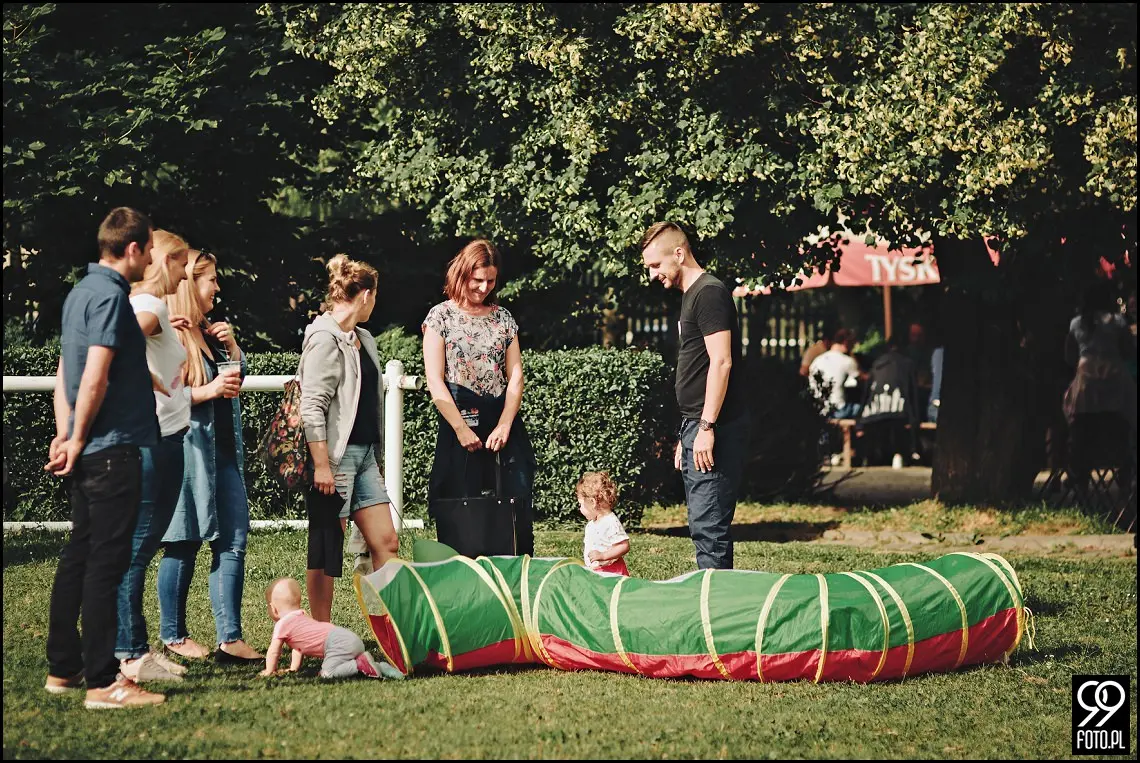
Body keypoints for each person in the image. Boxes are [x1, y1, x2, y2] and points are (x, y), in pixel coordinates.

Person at [44, 206, 166, 708]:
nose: (151, 259)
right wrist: (76, 438)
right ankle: (102, 682)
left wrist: (65, 434)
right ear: (132, 249)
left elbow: (61, 374)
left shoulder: (78, 294)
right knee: (104, 569)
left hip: (88, 448)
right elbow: (92, 374)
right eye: (149, 250)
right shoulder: (115, 299)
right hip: (112, 450)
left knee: (77, 558)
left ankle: (62, 671)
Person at [158, 249, 262, 664]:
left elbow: (239, 374)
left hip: (225, 453)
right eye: (211, 279)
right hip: (187, 451)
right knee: (183, 541)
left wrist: (233, 346)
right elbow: (162, 396)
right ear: (188, 285)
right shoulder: (167, 333)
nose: (218, 287)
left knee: (233, 539)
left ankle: (230, 638)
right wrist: (209, 391)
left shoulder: (207, 330)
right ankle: (173, 634)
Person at [641, 222, 749, 570]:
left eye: (655, 266)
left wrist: (706, 426)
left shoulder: (709, 292)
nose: (652, 275)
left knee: (709, 526)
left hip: (713, 425)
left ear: (679, 253)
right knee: (703, 523)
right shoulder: (693, 294)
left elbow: (721, 361)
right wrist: (688, 432)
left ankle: (717, 614)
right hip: (697, 425)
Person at [300, 255, 398, 623]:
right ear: (366, 296)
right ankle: (321, 632)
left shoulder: (364, 339)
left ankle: (395, 629)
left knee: (386, 542)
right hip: (334, 461)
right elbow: (312, 407)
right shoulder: (324, 339)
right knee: (329, 549)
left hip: (365, 458)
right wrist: (322, 465)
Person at [423, 239, 536, 557]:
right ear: (462, 274)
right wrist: (460, 429)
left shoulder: (503, 318)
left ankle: (515, 571)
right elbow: (435, 378)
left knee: (517, 493)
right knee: (459, 499)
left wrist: (504, 424)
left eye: (490, 281)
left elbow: (515, 374)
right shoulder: (440, 317)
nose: (484, 287)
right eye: (477, 280)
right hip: (460, 418)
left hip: (501, 416)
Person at [115, 230, 194, 684]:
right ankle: (129, 653)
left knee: (138, 547)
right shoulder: (152, 305)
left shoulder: (148, 307)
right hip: (158, 442)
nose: (185, 273)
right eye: (182, 264)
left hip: (159, 438)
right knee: (138, 548)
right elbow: (117, 344)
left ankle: (135, 647)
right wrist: (146, 374)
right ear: (166, 260)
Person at [1062, 281, 1136, 492]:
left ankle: (1078, 473)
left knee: (1078, 424)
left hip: (1086, 389)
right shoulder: (1118, 323)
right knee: (1125, 424)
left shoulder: (1076, 324)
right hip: (1116, 389)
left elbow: (1068, 356)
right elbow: (1129, 352)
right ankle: (1125, 472)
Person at [259, 578, 403, 680]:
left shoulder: (282, 625)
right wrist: (293, 668)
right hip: (346, 637)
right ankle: (381, 667)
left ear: (273, 608)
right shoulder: (302, 615)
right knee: (342, 662)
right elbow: (298, 648)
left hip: (336, 643)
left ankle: (358, 665)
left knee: (327, 673)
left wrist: (269, 670)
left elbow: (274, 651)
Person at [858, 336, 921, 468]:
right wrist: (913, 418)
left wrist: (859, 420)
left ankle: (873, 456)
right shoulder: (907, 363)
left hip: (873, 410)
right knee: (896, 424)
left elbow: (866, 393)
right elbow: (912, 392)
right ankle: (899, 454)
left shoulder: (877, 363)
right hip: (899, 408)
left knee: (882, 425)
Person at [577, 471, 631, 575]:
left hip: (612, 572)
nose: (580, 509)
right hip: (597, 571)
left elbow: (624, 546)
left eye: (581, 504)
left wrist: (603, 556)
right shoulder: (593, 523)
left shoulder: (610, 522)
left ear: (593, 502)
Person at [808, 329, 862, 419]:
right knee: (864, 409)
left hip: (818, 409)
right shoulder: (847, 361)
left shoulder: (817, 361)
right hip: (838, 409)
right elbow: (861, 380)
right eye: (852, 344)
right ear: (846, 342)